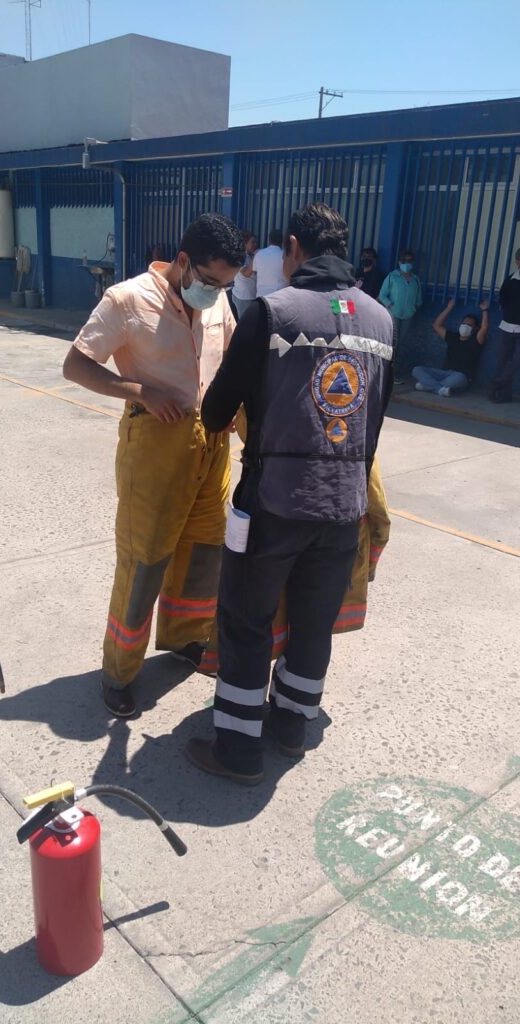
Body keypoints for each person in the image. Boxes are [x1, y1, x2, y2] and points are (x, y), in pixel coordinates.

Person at [184, 203, 394, 785]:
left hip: (273, 501)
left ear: (294, 248)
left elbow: (216, 410)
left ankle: (237, 748)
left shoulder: (272, 312)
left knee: (246, 618)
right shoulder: (382, 321)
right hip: (344, 504)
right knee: (313, 620)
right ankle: (292, 725)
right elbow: (374, 420)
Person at [63, 213, 245, 717]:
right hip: (155, 444)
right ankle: (120, 671)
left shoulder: (216, 298)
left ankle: (186, 637)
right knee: (143, 562)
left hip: (211, 443)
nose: (216, 292)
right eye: (210, 281)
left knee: (203, 552)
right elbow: (76, 365)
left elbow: (230, 358)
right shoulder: (126, 299)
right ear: (183, 261)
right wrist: (141, 390)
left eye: (226, 285)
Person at [412, 298, 489, 396]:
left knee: (459, 378)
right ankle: (439, 389)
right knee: (417, 370)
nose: (465, 326)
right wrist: (449, 307)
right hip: (444, 373)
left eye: (469, 325)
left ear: (475, 329)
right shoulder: (453, 337)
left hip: (461, 377)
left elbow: (484, 328)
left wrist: (484, 310)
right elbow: (437, 325)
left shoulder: (476, 341)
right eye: (463, 323)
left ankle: (427, 386)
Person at [379, 249, 422, 382]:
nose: (407, 263)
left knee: (400, 344)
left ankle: (393, 373)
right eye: (404, 261)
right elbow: (382, 295)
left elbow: (419, 297)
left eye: (409, 261)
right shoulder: (392, 277)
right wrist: (391, 305)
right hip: (393, 315)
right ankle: (385, 373)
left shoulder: (415, 279)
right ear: (399, 262)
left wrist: (415, 307)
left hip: (408, 316)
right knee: (392, 343)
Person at [490, 248, 520, 403]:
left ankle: (498, 382)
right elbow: (502, 299)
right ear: (517, 261)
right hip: (507, 326)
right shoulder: (510, 280)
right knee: (502, 361)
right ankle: (502, 394)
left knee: (516, 360)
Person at [231, 231, 258, 319]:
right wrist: (256, 256)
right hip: (244, 297)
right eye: (252, 242)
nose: (255, 245)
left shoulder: (248, 256)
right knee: (245, 323)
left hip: (248, 296)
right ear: (245, 244)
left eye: (255, 242)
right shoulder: (241, 257)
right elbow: (246, 273)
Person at [252, 228, 286, 297]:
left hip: (261, 296)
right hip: (279, 297)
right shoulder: (285, 256)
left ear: (269, 240)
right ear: (282, 241)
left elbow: (255, 271)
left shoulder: (259, 254)